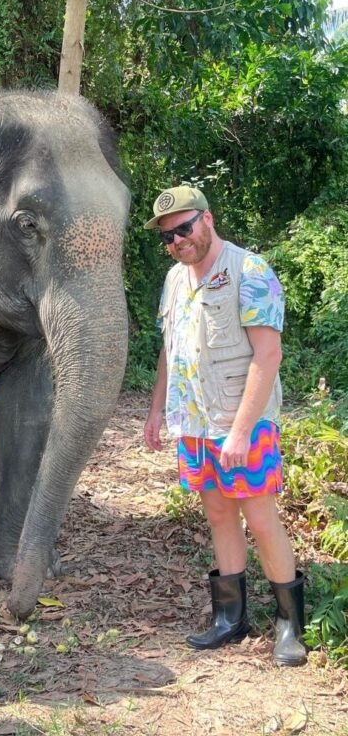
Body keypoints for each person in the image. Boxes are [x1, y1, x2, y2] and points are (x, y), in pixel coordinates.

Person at [143, 185, 306, 667]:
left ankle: (288, 625)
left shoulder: (249, 271)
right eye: (168, 236)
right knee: (218, 513)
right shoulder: (175, 280)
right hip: (193, 423)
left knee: (259, 516)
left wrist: (239, 431)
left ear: (207, 220)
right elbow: (169, 351)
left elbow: (268, 355)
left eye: (184, 228)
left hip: (242, 422)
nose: (177, 240)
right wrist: (156, 411)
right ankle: (230, 619)